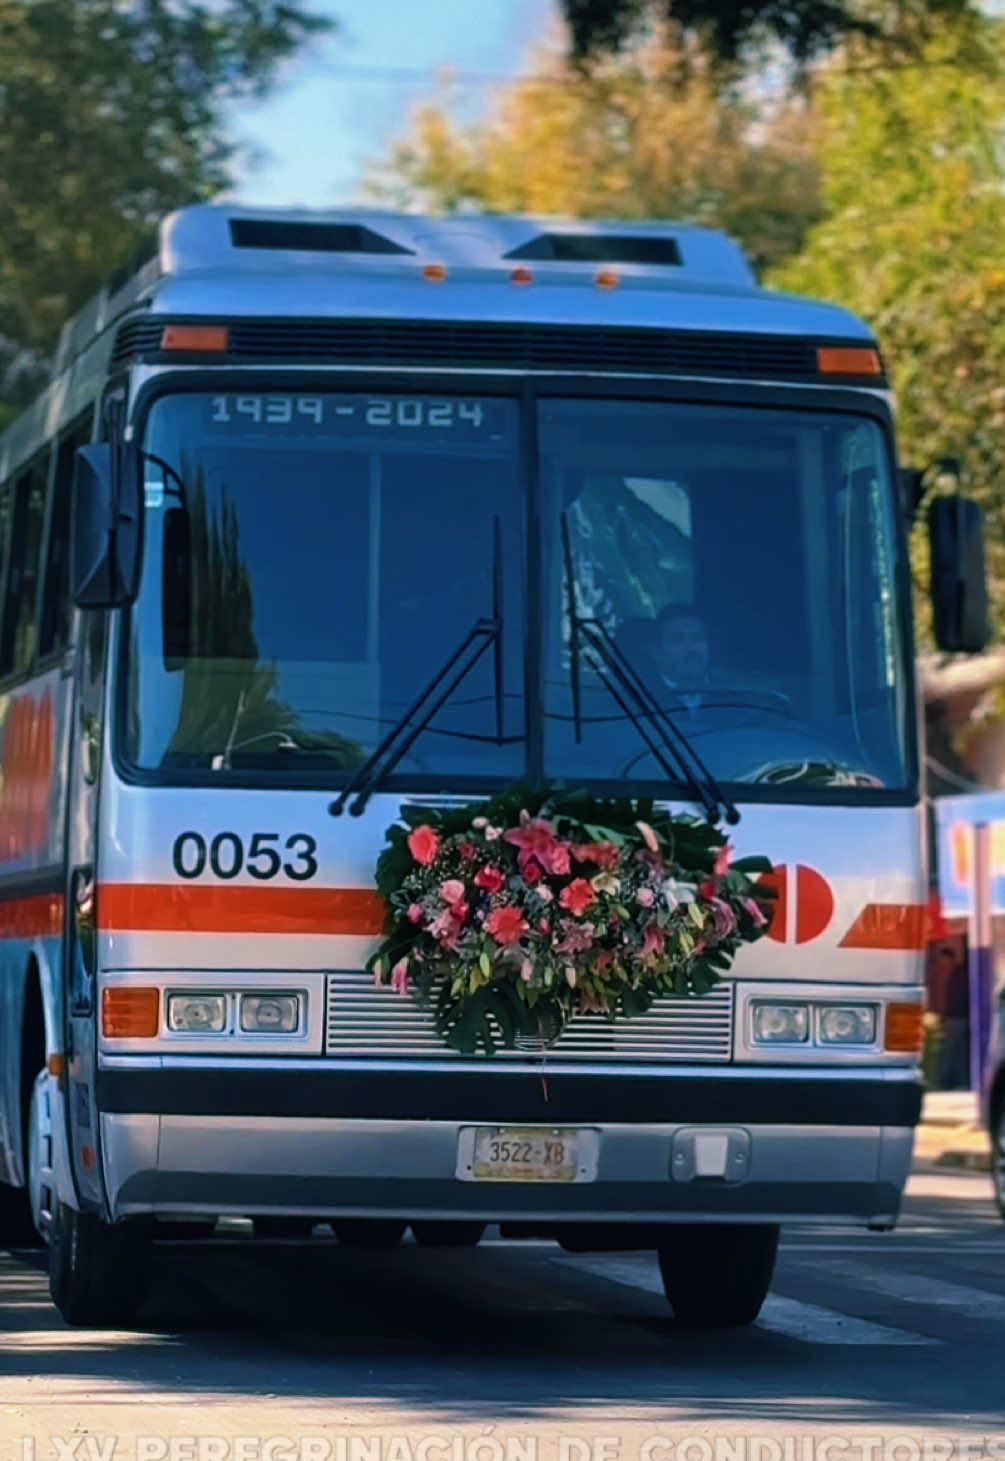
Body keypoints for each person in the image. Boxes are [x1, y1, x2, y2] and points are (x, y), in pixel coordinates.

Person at [933, 945, 971, 1090]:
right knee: (958, 1051)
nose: (942, 964)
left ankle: (944, 1082)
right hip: (958, 1018)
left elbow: (951, 999)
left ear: (951, 960)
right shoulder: (955, 975)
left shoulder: (956, 976)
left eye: (944, 960)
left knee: (949, 1051)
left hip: (954, 1018)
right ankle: (961, 1081)